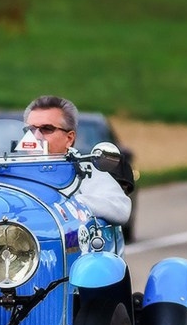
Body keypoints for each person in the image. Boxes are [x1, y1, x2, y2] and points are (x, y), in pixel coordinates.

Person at [23, 95, 132, 227]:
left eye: (46, 129)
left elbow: (120, 207)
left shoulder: (84, 170)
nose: (36, 137)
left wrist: (71, 205)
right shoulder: (5, 171)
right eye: (30, 130)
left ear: (69, 138)